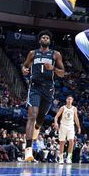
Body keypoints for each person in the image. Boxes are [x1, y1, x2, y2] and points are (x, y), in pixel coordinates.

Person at [21, 30, 66, 162]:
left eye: (47, 37)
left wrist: (53, 69)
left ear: (50, 41)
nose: (45, 39)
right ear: (39, 40)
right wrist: (24, 70)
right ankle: (28, 151)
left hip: (48, 89)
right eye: (43, 37)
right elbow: (25, 66)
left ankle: (37, 128)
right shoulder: (32, 53)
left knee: (40, 119)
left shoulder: (56, 54)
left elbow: (62, 73)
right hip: (35, 87)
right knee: (32, 116)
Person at [54, 95, 81, 164]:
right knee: (62, 142)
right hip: (63, 126)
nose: (69, 100)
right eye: (68, 99)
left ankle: (69, 158)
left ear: (72, 101)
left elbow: (76, 118)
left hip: (71, 126)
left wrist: (78, 127)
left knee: (72, 141)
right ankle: (61, 158)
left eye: (71, 99)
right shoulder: (62, 108)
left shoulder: (74, 108)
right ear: (66, 100)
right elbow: (56, 117)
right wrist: (56, 123)